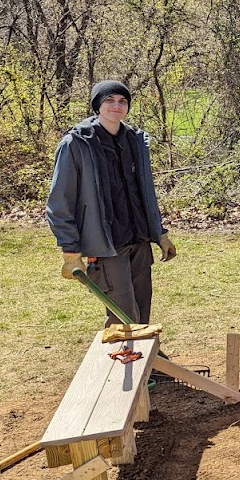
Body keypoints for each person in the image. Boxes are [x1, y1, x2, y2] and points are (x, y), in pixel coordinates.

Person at [46, 80, 176, 325]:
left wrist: (160, 233)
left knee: (141, 313)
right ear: (98, 105)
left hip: (138, 241)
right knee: (123, 318)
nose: (116, 106)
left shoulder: (135, 141)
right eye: (109, 100)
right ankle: (124, 361)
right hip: (106, 246)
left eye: (122, 101)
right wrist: (70, 250)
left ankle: (145, 362)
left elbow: (145, 193)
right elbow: (58, 202)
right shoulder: (76, 144)